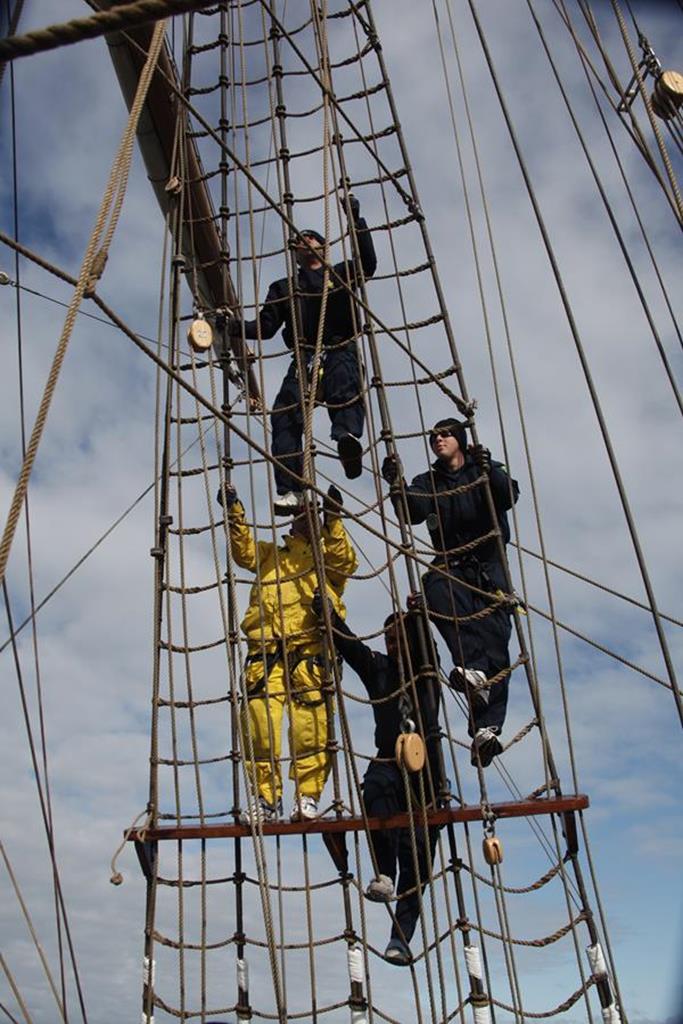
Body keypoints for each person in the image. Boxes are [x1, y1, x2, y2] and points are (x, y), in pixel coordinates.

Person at [382, 418, 519, 768]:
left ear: (459, 439)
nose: (437, 439)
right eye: (432, 436)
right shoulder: (429, 482)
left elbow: (508, 495)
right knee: (435, 591)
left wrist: (492, 470)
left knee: (496, 636)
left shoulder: (483, 469)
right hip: (451, 563)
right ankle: (474, 672)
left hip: (490, 564)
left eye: (444, 434)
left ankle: (486, 728)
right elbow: (412, 510)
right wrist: (395, 483)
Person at [227, 194, 377, 514]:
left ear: (323, 247)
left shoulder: (342, 274)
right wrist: (230, 327)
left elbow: (368, 264)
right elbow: (265, 328)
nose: (304, 240)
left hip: (339, 346)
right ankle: (291, 490)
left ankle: (347, 439)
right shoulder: (284, 287)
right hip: (304, 357)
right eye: (299, 240)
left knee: (344, 385)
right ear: (294, 254)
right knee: (284, 415)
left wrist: (355, 220)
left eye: (311, 237)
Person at [220, 481, 358, 823]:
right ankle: (266, 800)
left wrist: (333, 521)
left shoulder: (329, 561)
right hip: (266, 652)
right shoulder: (270, 555)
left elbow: (345, 560)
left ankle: (307, 796)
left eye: (311, 515)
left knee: (310, 727)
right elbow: (243, 552)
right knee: (259, 725)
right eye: (301, 514)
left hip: (310, 652)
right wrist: (234, 510)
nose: (304, 519)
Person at [314, 597, 442, 966]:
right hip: (388, 760)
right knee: (374, 793)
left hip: (426, 771)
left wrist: (419, 615)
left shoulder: (425, 671)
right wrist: (328, 616)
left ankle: (400, 938)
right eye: (388, 637)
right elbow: (351, 647)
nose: (392, 643)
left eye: (399, 636)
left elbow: (428, 650)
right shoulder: (379, 670)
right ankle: (383, 873)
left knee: (417, 853)